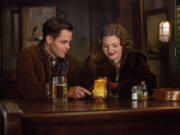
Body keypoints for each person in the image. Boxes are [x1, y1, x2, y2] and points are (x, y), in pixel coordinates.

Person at [16, 17, 91, 100]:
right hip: (34, 111)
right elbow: (29, 89)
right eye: (64, 42)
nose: (68, 47)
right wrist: (66, 91)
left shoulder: (72, 61)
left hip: (64, 110)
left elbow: (83, 84)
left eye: (69, 42)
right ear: (49, 39)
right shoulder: (28, 55)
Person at [79, 23, 157, 99]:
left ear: (123, 43)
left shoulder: (136, 59)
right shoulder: (93, 62)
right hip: (103, 109)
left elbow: (150, 85)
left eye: (114, 45)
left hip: (132, 108)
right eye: (105, 46)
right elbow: (84, 88)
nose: (110, 50)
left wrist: (116, 88)